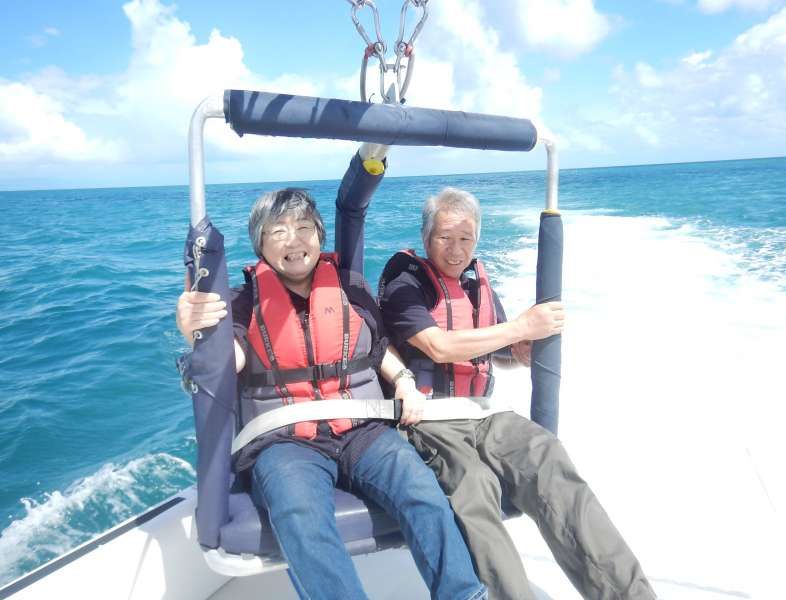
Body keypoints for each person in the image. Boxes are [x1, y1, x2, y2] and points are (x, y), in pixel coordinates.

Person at [176, 156, 486, 600]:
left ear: (319, 236)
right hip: (285, 442)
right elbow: (232, 358)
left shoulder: (349, 288)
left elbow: (378, 350)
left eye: (303, 228)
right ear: (259, 244)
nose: (293, 240)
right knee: (302, 517)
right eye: (277, 231)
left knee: (423, 492)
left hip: (363, 431)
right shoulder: (243, 301)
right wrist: (197, 328)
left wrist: (401, 381)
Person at [378, 187, 657, 600]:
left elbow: (499, 348)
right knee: (473, 486)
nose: (456, 250)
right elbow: (438, 346)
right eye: (445, 238)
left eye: (466, 239)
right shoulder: (403, 279)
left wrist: (521, 350)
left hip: (485, 413)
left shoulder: (476, 281)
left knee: (549, 459)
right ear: (425, 238)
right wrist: (523, 328)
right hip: (429, 418)